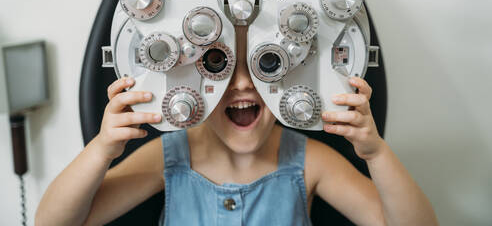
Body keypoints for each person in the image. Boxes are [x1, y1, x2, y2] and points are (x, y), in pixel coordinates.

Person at [36, 26, 438, 226]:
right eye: (219, 66)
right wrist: (102, 149)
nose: (243, 83)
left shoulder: (308, 160)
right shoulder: (171, 156)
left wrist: (377, 153)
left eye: (265, 65)